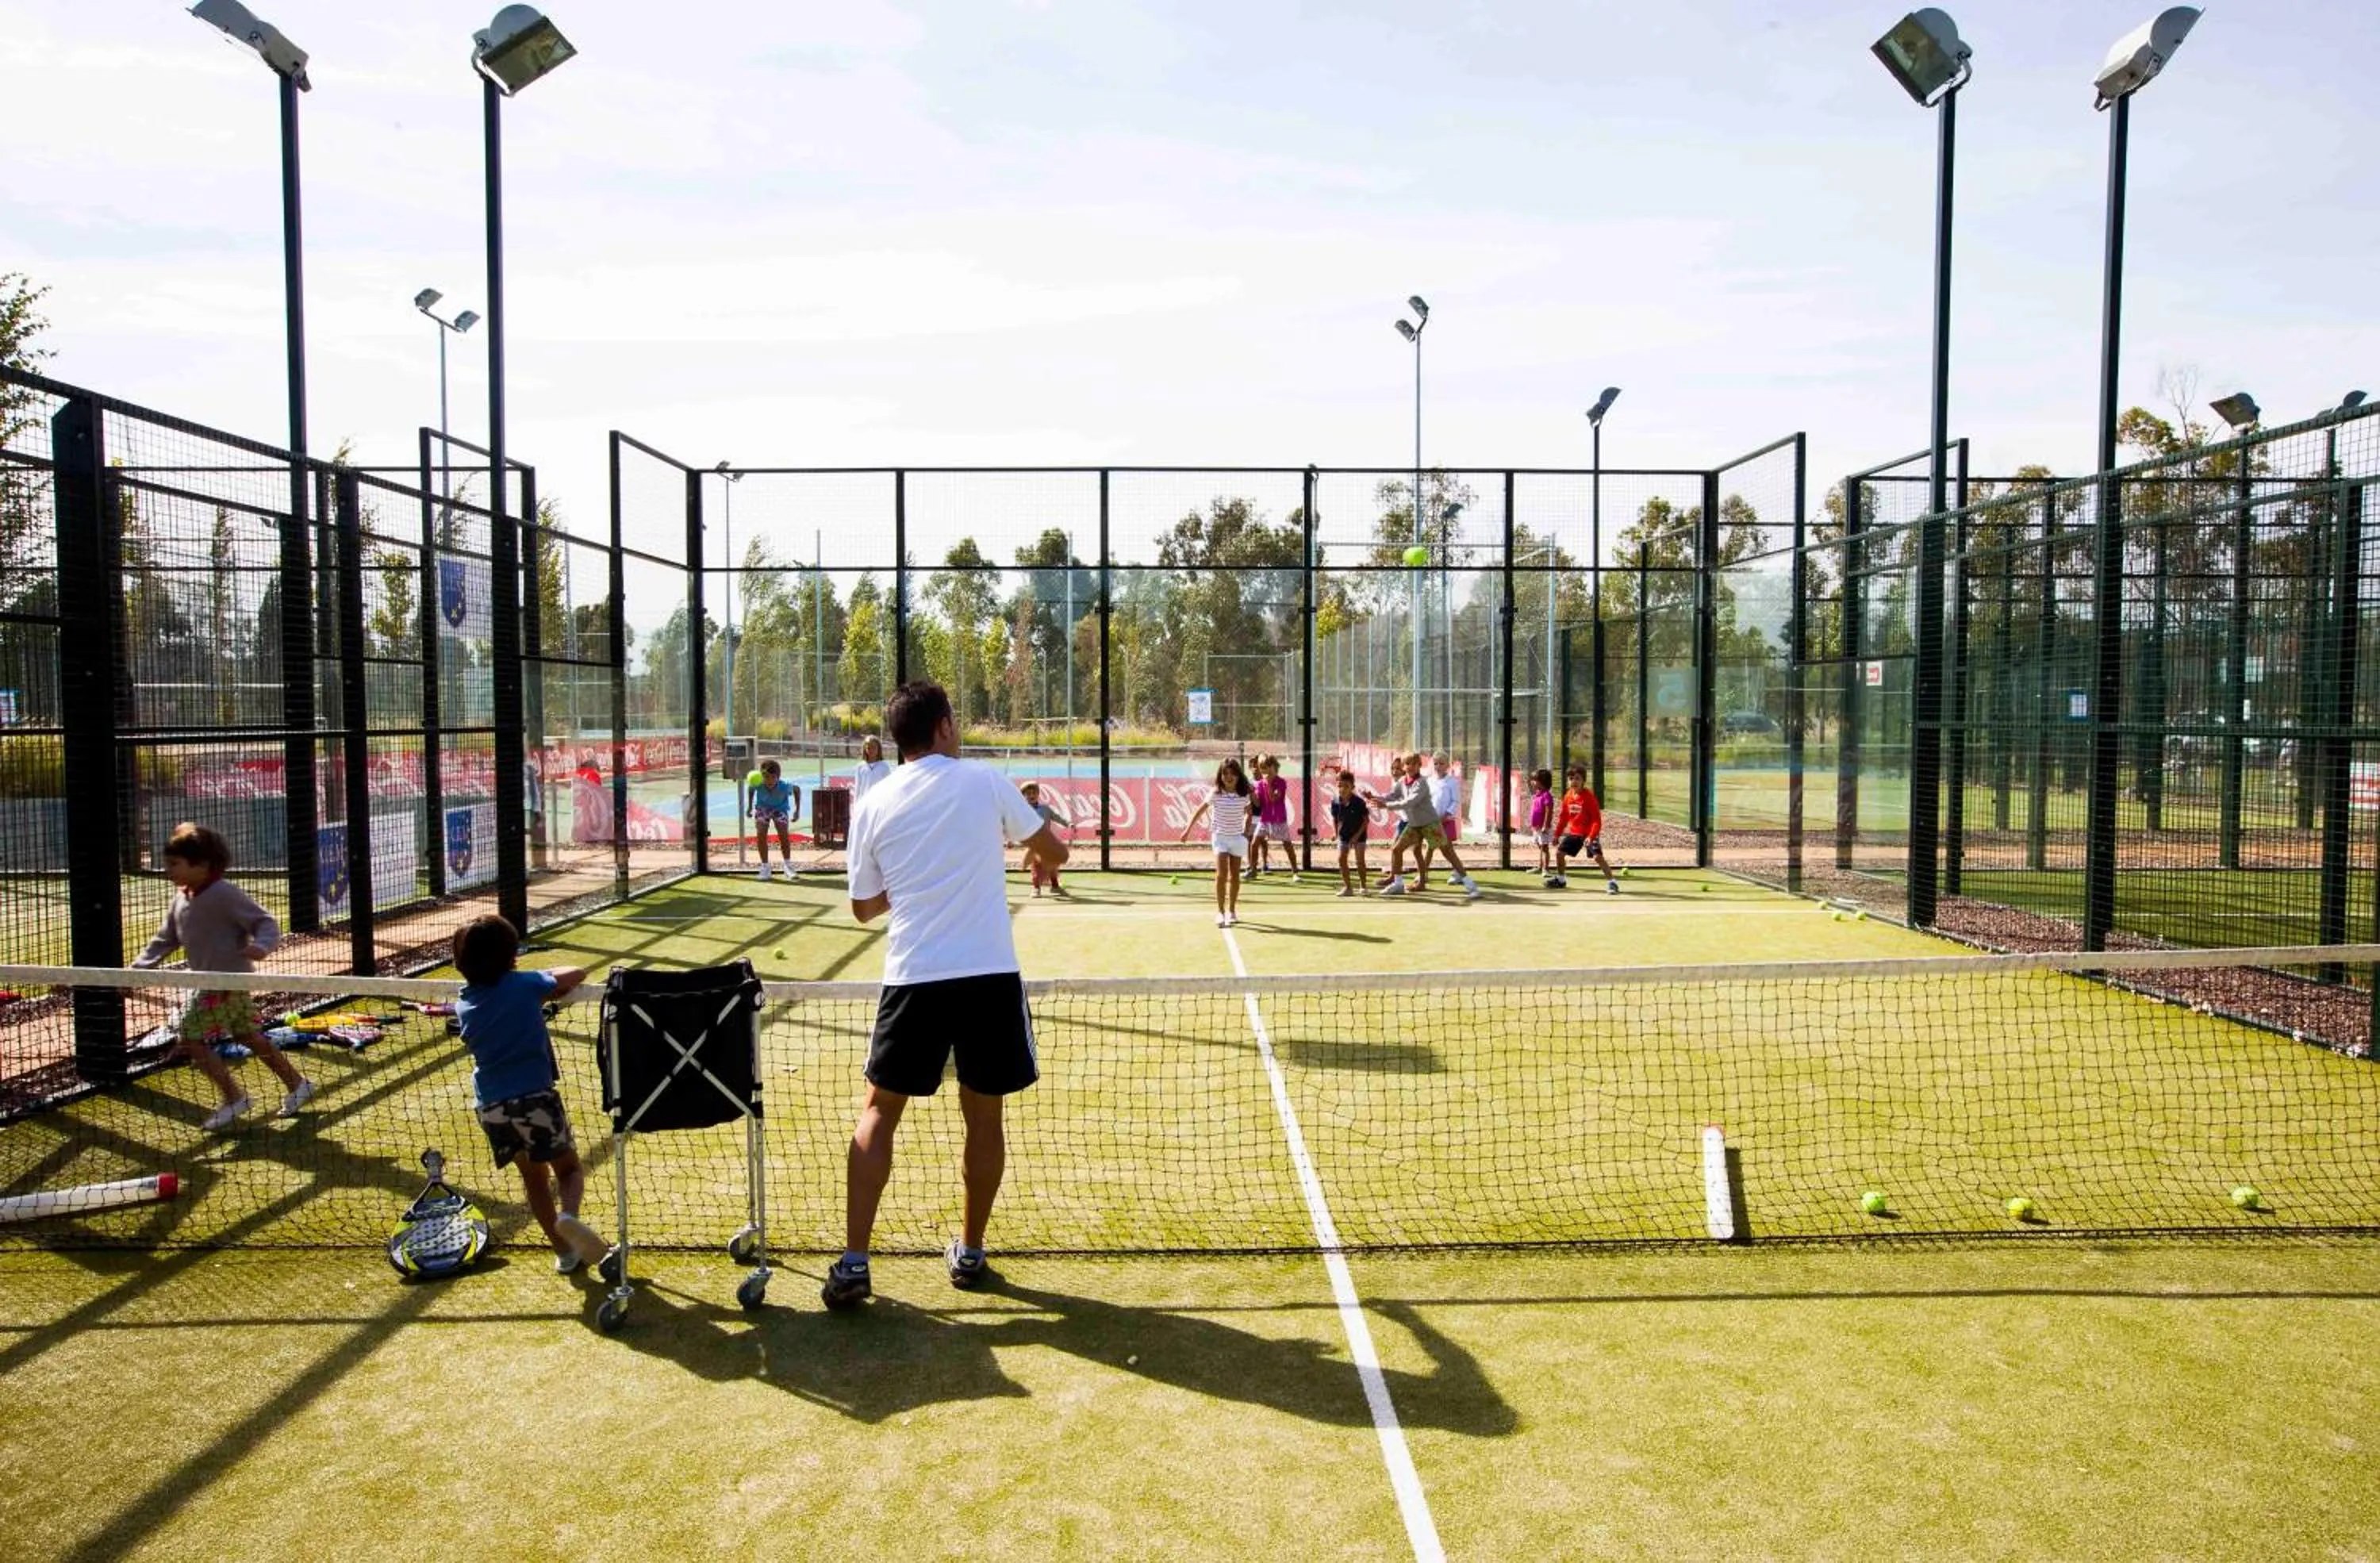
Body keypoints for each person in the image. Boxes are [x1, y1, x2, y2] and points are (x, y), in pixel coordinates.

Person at [827, 681, 1069, 1310]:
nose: (957, 728)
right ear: (940, 728)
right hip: (987, 978)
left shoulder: (874, 805)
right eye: (953, 720)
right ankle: (970, 1251)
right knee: (983, 1117)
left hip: (914, 978)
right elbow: (1056, 848)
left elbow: (862, 908)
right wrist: (1037, 858)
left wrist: (910, 889)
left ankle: (854, 1263)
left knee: (878, 1112)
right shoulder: (985, 781)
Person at [450, 914, 612, 1275]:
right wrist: (541, 977)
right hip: (534, 1098)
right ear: (512, 958)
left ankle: (564, 1251)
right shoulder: (525, 986)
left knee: (533, 1179)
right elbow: (577, 973)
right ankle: (568, 1217)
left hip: (491, 1107)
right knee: (568, 1169)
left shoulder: (464, 1004)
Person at [132, 821, 315, 1131]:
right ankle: (298, 1084)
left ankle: (234, 1097)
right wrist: (136, 972)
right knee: (247, 1036)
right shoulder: (180, 899)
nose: (168, 870)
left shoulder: (224, 894)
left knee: (191, 1039)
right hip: (209, 982)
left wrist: (261, 946)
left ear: (202, 865)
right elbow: (166, 940)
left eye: (175, 864)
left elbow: (265, 922)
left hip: (228, 982)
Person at [1365, 753, 1480, 901]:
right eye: (1407, 764)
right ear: (1404, 767)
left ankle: (1471, 887)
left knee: (1448, 853)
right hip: (1415, 825)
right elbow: (1392, 796)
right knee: (1397, 849)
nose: (1410, 767)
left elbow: (1409, 802)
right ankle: (1398, 884)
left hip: (1430, 824)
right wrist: (1374, 798)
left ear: (1419, 766)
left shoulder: (1422, 783)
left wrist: (1385, 805)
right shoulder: (1402, 781)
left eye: (1414, 764)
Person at [1179, 757, 1254, 927]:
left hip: (1237, 838)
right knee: (1221, 875)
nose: (1229, 777)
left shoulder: (1244, 795)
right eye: (1225, 774)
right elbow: (1199, 811)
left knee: (1235, 876)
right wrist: (1187, 830)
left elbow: (1249, 812)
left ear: (1238, 776)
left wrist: (1246, 832)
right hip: (1220, 838)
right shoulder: (1215, 794)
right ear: (1220, 776)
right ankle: (1220, 912)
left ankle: (1232, 910)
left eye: (1233, 774)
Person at [1549, 763, 1621, 893]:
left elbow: (1596, 821)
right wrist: (1556, 835)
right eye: (1571, 779)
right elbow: (1563, 818)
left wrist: (1591, 836)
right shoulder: (1568, 796)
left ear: (1583, 781)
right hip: (1575, 834)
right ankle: (1561, 879)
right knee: (1559, 854)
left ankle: (1612, 882)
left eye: (1577, 778)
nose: (1574, 781)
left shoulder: (1589, 798)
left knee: (1597, 857)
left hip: (1589, 833)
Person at [1415, 752, 1461, 891]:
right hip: (1431, 821)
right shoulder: (1429, 781)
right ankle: (1424, 874)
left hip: (1445, 821)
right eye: (1436, 763)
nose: (1438, 766)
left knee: (1448, 849)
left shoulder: (1452, 782)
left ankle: (1457, 872)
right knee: (1429, 847)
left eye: (1441, 763)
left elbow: (1455, 801)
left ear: (1448, 765)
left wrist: (1446, 815)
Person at [1328, 768, 1376, 898]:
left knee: (1360, 861)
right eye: (1340, 786)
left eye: (1346, 786)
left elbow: (1366, 821)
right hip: (1344, 835)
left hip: (1359, 835)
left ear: (1352, 787)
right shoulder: (1335, 802)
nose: (1342, 789)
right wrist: (1335, 833)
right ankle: (1348, 888)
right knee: (1341, 859)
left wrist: (1356, 836)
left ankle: (1363, 886)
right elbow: (1335, 819)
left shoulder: (1359, 802)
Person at [1247, 754, 1296, 881]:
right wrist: (1252, 792)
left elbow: (1274, 798)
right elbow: (1258, 803)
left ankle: (1295, 872)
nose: (1263, 771)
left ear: (1274, 767)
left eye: (1266, 767)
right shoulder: (1260, 784)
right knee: (1254, 843)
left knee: (1287, 845)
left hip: (1279, 819)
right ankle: (1253, 870)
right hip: (1264, 819)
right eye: (1261, 768)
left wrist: (1268, 784)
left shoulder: (1281, 782)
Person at [750, 758, 799, 882]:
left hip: (780, 809)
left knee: (783, 834)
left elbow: (797, 789)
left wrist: (797, 810)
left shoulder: (784, 786)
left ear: (778, 777)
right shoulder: (758, 784)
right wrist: (749, 806)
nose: (769, 780)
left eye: (773, 777)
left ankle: (787, 866)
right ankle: (765, 867)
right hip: (763, 809)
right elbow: (751, 789)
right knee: (761, 834)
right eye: (766, 777)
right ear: (762, 776)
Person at [1020, 782, 1069, 897]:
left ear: (1038, 794)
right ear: (1023, 796)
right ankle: (1036, 888)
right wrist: (1010, 840)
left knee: (1053, 864)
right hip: (1034, 842)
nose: (1031, 795)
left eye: (1034, 793)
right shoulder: (1021, 811)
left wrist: (1068, 823)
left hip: (1048, 842)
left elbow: (1057, 817)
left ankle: (1055, 886)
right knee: (1036, 865)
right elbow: (1015, 825)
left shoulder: (1045, 809)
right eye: (1028, 793)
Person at [1527, 768, 1557, 881]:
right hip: (1536, 827)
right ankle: (1540, 867)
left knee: (1544, 848)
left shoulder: (1547, 796)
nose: (1532, 782)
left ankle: (1546, 869)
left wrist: (1546, 825)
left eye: (1534, 780)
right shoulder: (1537, 795)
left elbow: (1549, 811)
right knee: (1540, 847)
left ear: (1542, 782)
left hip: (1543, 827)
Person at [851, 735, 892, 801]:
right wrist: (856, 805)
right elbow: (858, 788)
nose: (871, 750)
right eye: (868, 748)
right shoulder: (860, 767)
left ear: (878, 749)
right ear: (865, 749)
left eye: (874, 747)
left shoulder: (885, 766)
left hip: (879, 803)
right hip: (864, 803)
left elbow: (888, 787)